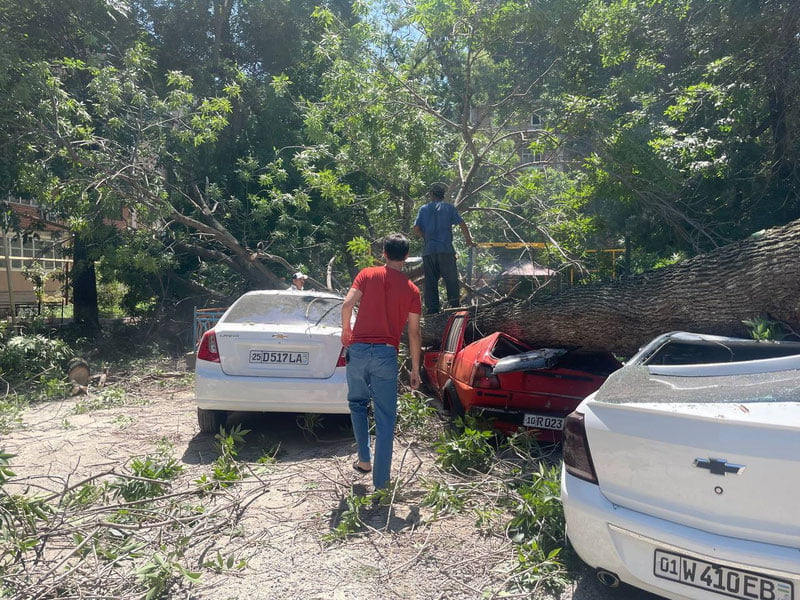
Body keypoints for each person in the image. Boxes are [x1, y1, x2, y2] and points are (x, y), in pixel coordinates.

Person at [340, 233, 422, 490]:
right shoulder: (412, 290)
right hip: (386, 353)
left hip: (359, 350)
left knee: (357, 404)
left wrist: (346, 331)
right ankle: (382, 484)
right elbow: (413, 333)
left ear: (384, 253)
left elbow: (346, 305)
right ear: (406, 257)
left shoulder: (366, 275)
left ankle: (364, 459)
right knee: (386, 417)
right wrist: (415, 368)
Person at [413, 182, 475, 314]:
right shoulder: (449, 208)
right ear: (443, 195)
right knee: (451, 280)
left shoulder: (423, 209)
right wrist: (468, 240)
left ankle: (432, 310)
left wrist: (426, 238)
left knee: (430, 281)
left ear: (431, 195)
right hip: (446, 250)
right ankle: (454, 307)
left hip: (429, 252)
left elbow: (416, 229)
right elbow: (462, 224)